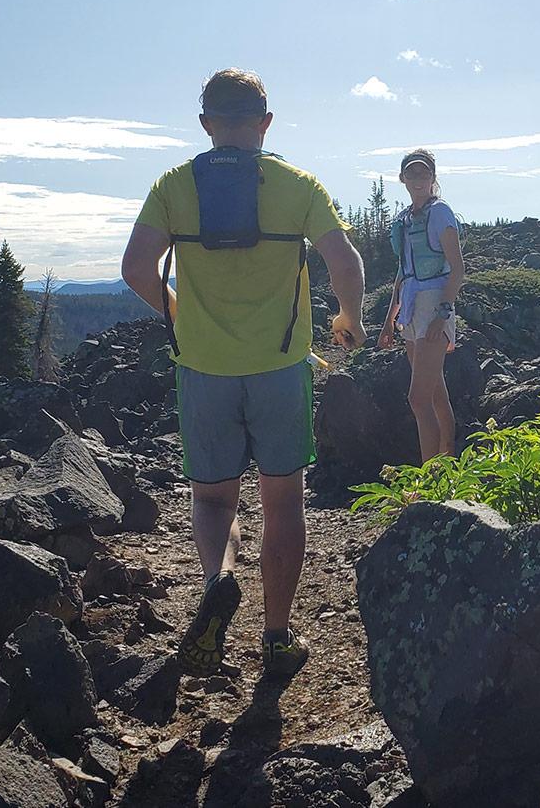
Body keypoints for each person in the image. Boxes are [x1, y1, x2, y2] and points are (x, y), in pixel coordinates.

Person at [121, 68, 365, 681]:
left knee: (212, 499)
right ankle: (277, 636)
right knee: (282, 502)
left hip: (203, 368)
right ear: (265, 123)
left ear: (206, 123)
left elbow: (134, 267)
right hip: (282, 367)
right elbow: (344, 258)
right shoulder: (297, 186)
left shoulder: (174, 187)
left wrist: (177, 312)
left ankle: (218, 579)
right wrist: (349, 315)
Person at [378, 149, 466, 462]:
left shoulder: (441, 213)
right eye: (411, 173)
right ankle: (446, 466)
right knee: (435, 394)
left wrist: (442, 316)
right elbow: (403, 272)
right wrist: (390, 319)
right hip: (412, 308)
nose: (418, 179)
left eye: (423, 173)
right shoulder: (405, 219)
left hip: (434, 304)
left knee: (418, 400)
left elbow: (458, 269)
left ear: (433, 177)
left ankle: (429, 481)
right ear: (402, 178)